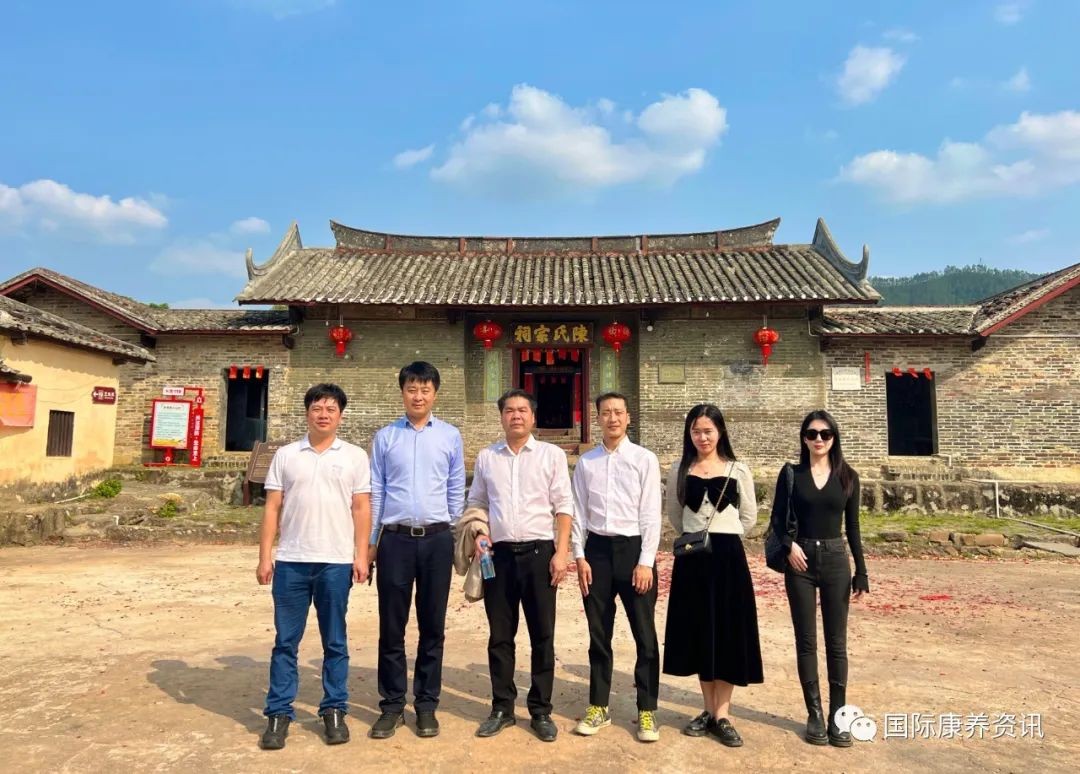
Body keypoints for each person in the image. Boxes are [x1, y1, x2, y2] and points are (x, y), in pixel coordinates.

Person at [256, 383, 371, 750]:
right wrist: (265, 556)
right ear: (307, 412)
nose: (324, 414)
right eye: (317, 408)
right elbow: (273, 506)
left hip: (335, 562)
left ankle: (334, 709)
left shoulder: (354, 456)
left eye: (331, 409)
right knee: (285, 642)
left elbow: (361, 508)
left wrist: (361, 555)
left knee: (335, 641)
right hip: (292, 561)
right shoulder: (287, 455)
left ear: (341, 415)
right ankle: (278, 713)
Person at [468, 388, 574, 742]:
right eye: (509, 410)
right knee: (500, 636)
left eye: (522, 410)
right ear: (501, 417)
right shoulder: (487, 457)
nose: (516, 415)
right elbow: (477, 501)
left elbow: (564, 506)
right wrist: (479, 533)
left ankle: (541, 710)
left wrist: (561, 552)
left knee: (542, 635)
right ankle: (502, 707)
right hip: (496, 556)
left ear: (533, 417)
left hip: (540, 554)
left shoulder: (551, 455)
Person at [368, 362, 465, 739]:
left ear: (435, 394)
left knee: (432, 626)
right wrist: (372, 543)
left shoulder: (450, 436)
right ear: (402, 392)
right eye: (412, 389)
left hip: (437, 540)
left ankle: (426, 704)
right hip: (395, 540)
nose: (418, 396)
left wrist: (455, 536)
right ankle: (392, 705)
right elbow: (377, 491)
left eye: (425, 389)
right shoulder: (385, 437)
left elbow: (455, 488)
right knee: (391, 626)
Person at [662, 403, 762, 747]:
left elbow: (749, 516)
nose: (702, 437)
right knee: (700, 629)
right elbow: (675, 514)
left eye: (708, 430)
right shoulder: (679, 469)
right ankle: (706, 708)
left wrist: (724, 535)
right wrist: (697, 535)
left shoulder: (738, 470)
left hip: (728, 557)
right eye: (696, 431)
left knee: (728, 630)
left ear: (720, 432)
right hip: (693, 558)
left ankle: (723, 713)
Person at [771, 410, 869, 747]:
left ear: (834, 438)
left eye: (825, 434)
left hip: (835, 560)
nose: (818, 439)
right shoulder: (791, 474)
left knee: (836, 643)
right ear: (804, 438)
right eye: (812, 434)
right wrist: (789, 546)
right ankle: (814, 714)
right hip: (800, 562)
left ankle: (837, 716)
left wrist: (861, 571)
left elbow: (853, 527)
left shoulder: (848, 477)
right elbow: (777, 520)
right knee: (806, 640)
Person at [570, 392, 662, 742]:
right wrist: (579, 556)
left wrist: (645, 561)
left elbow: (651, 512)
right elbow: (577, 512)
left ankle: (647, 709)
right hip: (597, 552)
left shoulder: (644, 459)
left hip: (633, 550)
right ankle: (598, 706)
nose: (612, 418)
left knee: (645, 635)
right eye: (606, 413)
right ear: (597, 418)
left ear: (628, 418)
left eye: (618, 412)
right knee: (598, 635)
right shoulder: (587, 463)